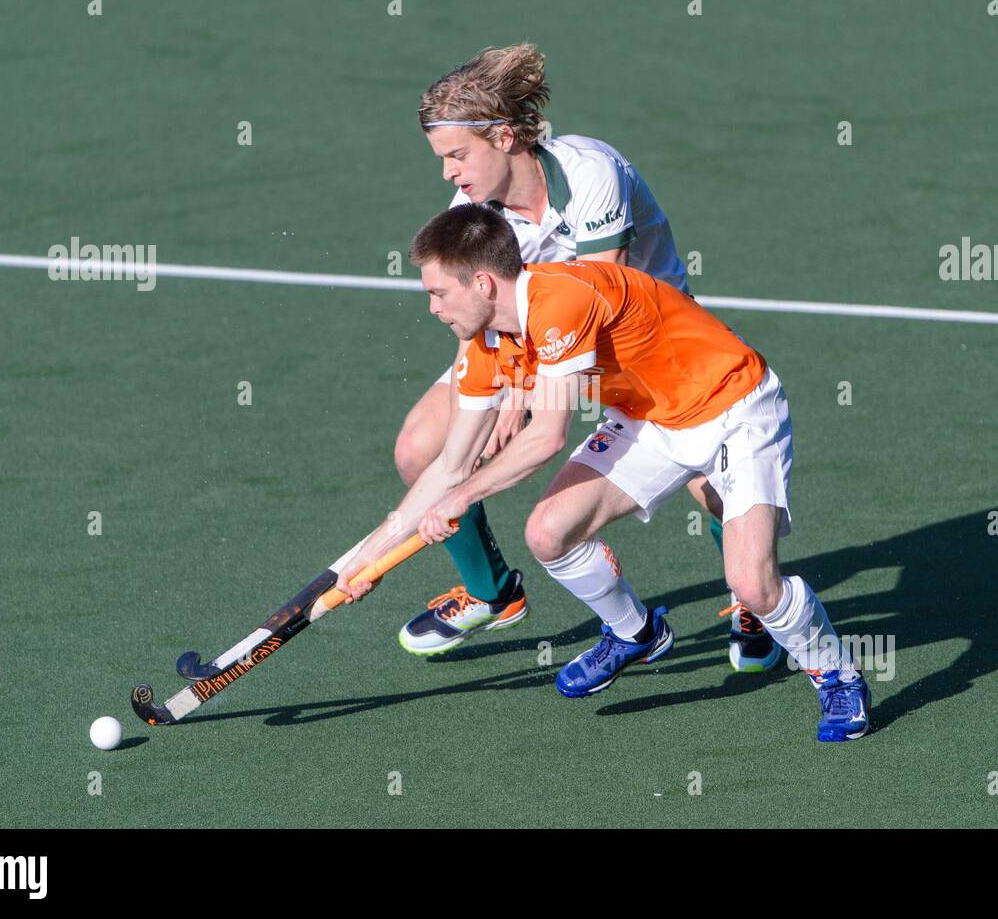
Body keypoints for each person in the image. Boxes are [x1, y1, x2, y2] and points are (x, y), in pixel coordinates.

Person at [340, 204, 870, 742]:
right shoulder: (484, 345)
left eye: (437, 293)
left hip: (734, 407)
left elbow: (545, 437)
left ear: (481, 282)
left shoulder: (560, 303)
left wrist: (461, 499)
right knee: (549, 533)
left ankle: (837, 677)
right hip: (647, 418)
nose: (431, 307)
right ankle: (635, 633)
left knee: (753, 584)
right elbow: (450, 465)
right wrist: (368, 558)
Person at [395, 44, 777, 673]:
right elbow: (477, 319)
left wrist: (520, 397)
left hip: (647, 343)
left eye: (457, 156)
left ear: (507, 137)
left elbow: (595, 303)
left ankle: (751, 600)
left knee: (714, 487)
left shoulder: (590, 172)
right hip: (531, 341)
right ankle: (494, 593)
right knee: (420, 449)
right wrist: (489, 398)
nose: (448, 175)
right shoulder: (471, 214)